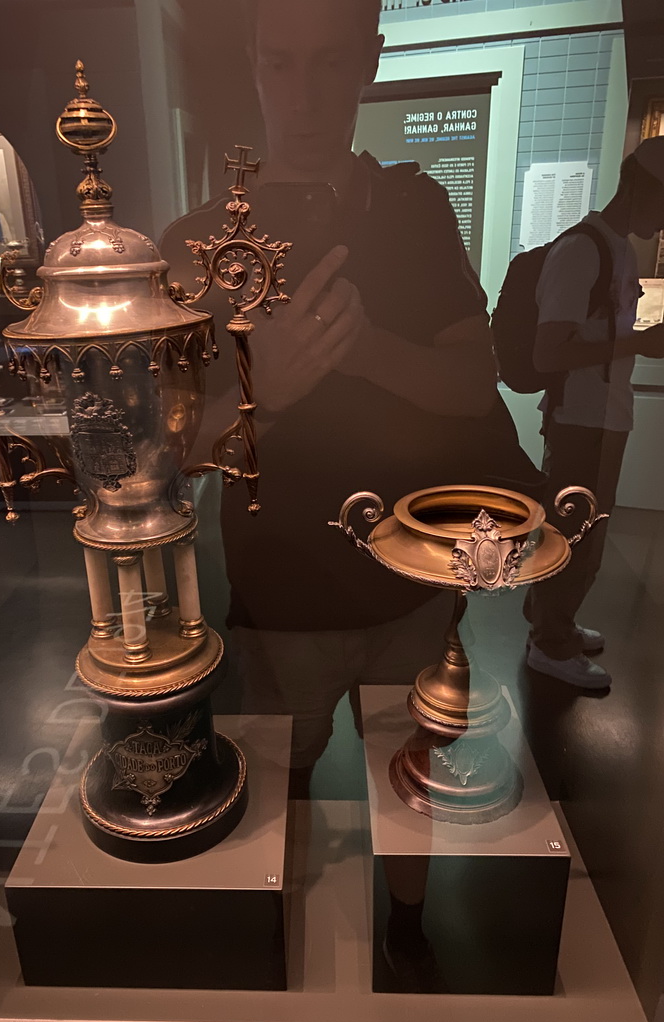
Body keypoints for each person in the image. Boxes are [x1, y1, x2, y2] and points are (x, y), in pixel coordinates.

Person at [162, 0, 539, 794]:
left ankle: (409, 927)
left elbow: (475, 385)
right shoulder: (197, 240)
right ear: (254, 63)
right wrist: (273, 390)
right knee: (274, 806)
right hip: (280, 593)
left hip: (414, 583)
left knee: (412, 788)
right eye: (281, 63)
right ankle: (296, 923)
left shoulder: (417, 210)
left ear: (369, 61)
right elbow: (175, 448)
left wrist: (366, 352)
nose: (304, 96)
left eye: (331, 62)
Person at [525, 136, 664, 689]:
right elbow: (548, 352)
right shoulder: (584, 249)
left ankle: (553, 623)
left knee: (586, 532)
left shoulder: (618, 249)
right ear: (637, 190)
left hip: (603, 418)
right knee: (572, 533)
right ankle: (549, 644)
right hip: (580, 421)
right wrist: (639, 345)